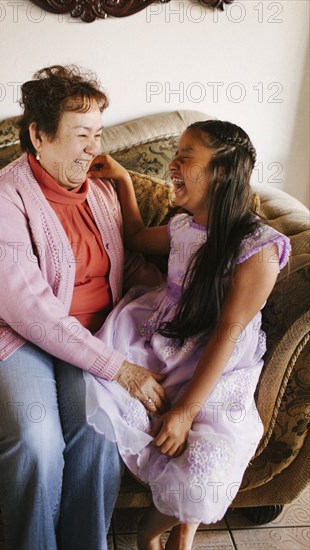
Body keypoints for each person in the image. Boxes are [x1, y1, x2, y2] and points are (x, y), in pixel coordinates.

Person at [0, 65, 168, 550]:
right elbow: (28, 311)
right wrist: (121, 370)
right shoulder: (1, 200)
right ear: (39, 136)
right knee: (37, 440)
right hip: (6, 337)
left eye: (99, 134)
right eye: (81, 134)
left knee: (99, 430)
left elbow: (123, 269)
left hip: (86, 340)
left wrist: (172, 304)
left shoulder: (102, 193)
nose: (95, 147)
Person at [83, 120, 291, 550]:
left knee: (207, 457)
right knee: (105, 395)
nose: (172, 165)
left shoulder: (258, 248)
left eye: (186, 157)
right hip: (162, 334)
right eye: (175, 154)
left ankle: (155, 531)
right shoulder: (184, 226)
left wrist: (186, 412)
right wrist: (123, 180)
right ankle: (182, 531)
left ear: (220, 172)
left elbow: (227, 336)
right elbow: (137, 237)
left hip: (217, 355)